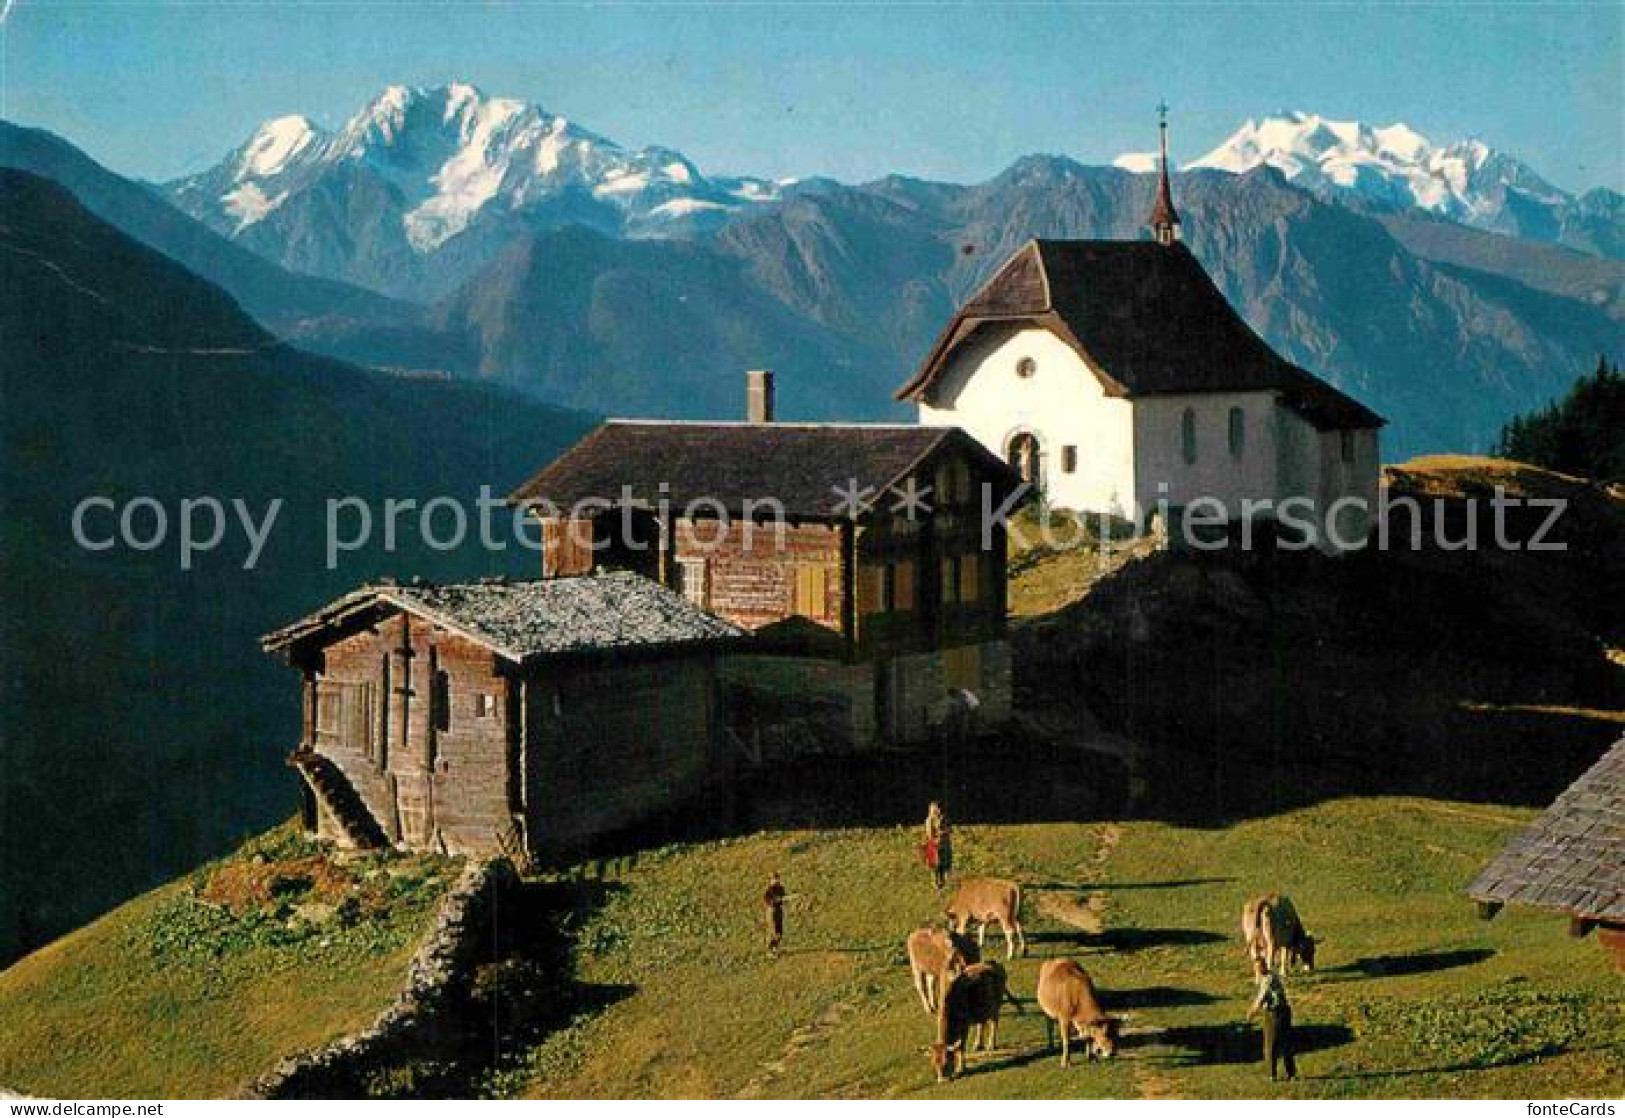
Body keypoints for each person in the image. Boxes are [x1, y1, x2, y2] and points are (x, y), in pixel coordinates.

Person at [1247, 967, 1298, 1081]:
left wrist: (1251, 1012)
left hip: (1273, 1013)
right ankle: (1291, 1074)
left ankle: (1272, 1075)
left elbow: (1261, 997)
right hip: (1285, 1011)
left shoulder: (1266, 979)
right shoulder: (1273, 975)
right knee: (1286, 1044)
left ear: (1260, 969)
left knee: (1270, 1045)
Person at [763, 871, 787, 955]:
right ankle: (769, 950)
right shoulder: (769, 890)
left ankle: (775, 948)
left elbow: (783, 898)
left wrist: (783, 900)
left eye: (776, 878)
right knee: (772, 931)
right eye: (773, 879)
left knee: (779, 931)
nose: (775, 880)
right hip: (771, 911)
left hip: (779, 911)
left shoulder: (781, 889)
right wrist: (777, 900)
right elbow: (768, 901)